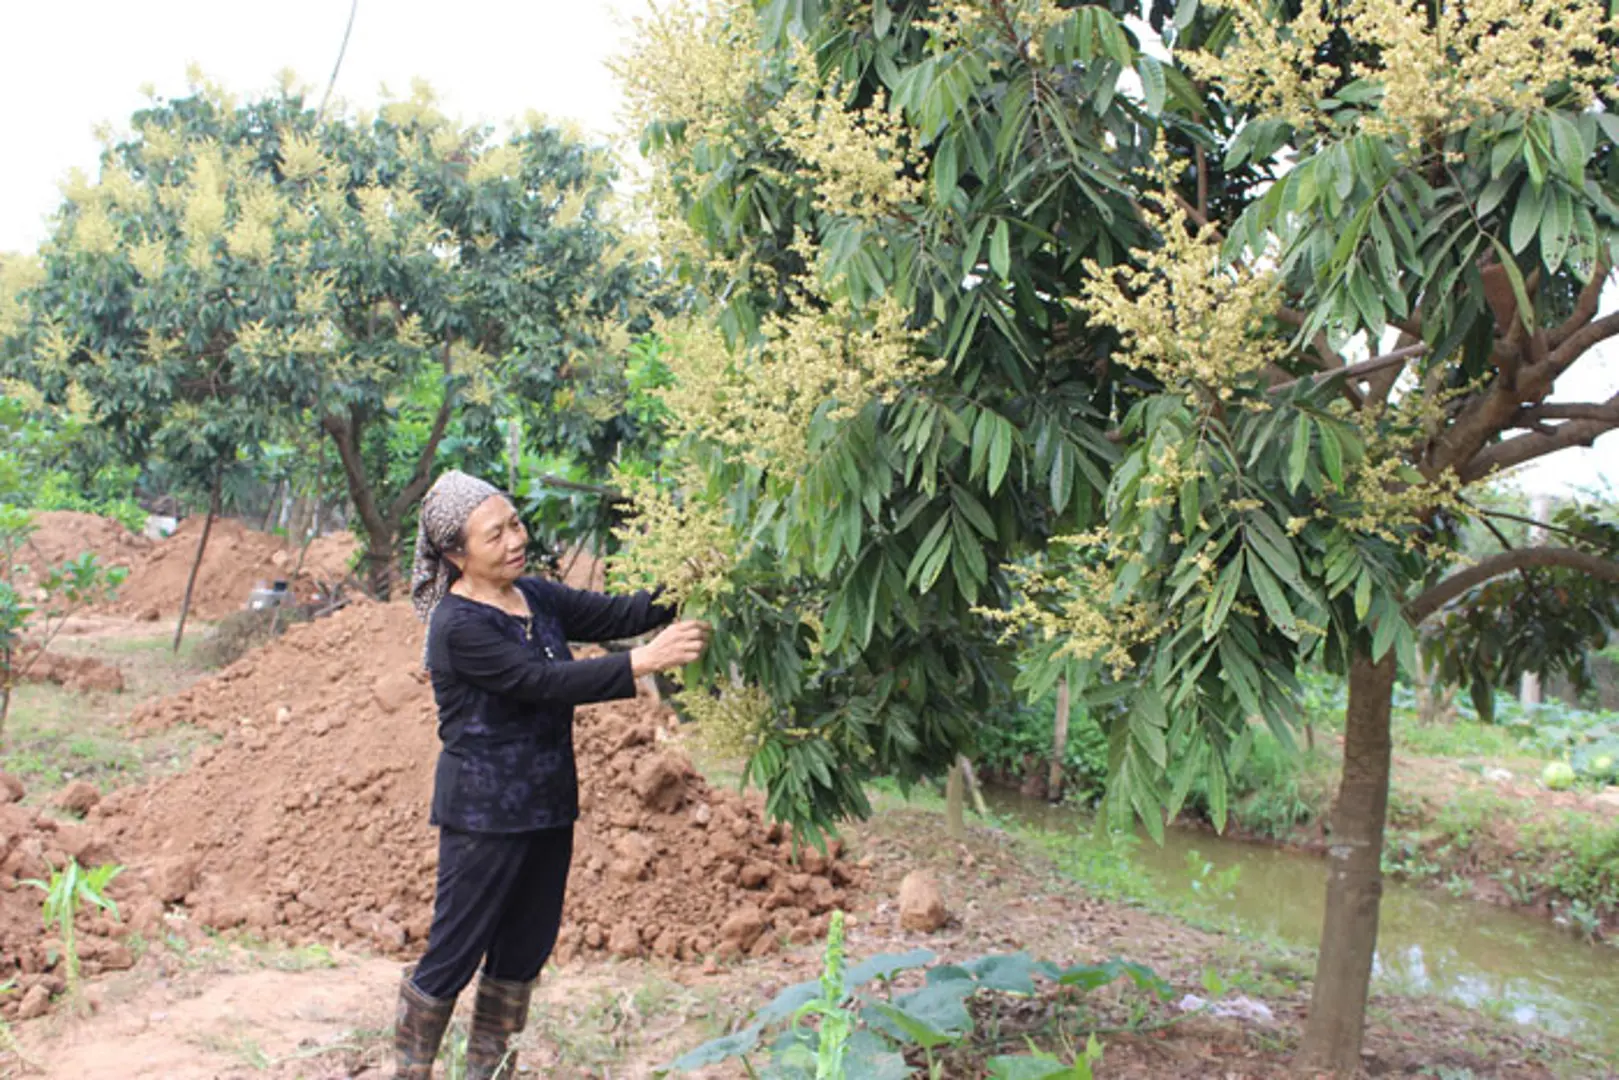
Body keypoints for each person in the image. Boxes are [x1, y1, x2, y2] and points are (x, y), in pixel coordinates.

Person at [394, 470, 709, 1079]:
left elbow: (629, 612)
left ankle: (492, 1069)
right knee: (453, 954)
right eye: (496, 534)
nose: (516, 538)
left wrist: (696, 569)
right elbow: (539, 684)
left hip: (546, 807)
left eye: (515, 522)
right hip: (483, 817)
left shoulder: (536, 596)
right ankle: (411, 1070)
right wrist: (642, 662)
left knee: (523, 952)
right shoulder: (457, 627)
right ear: (457, 554)